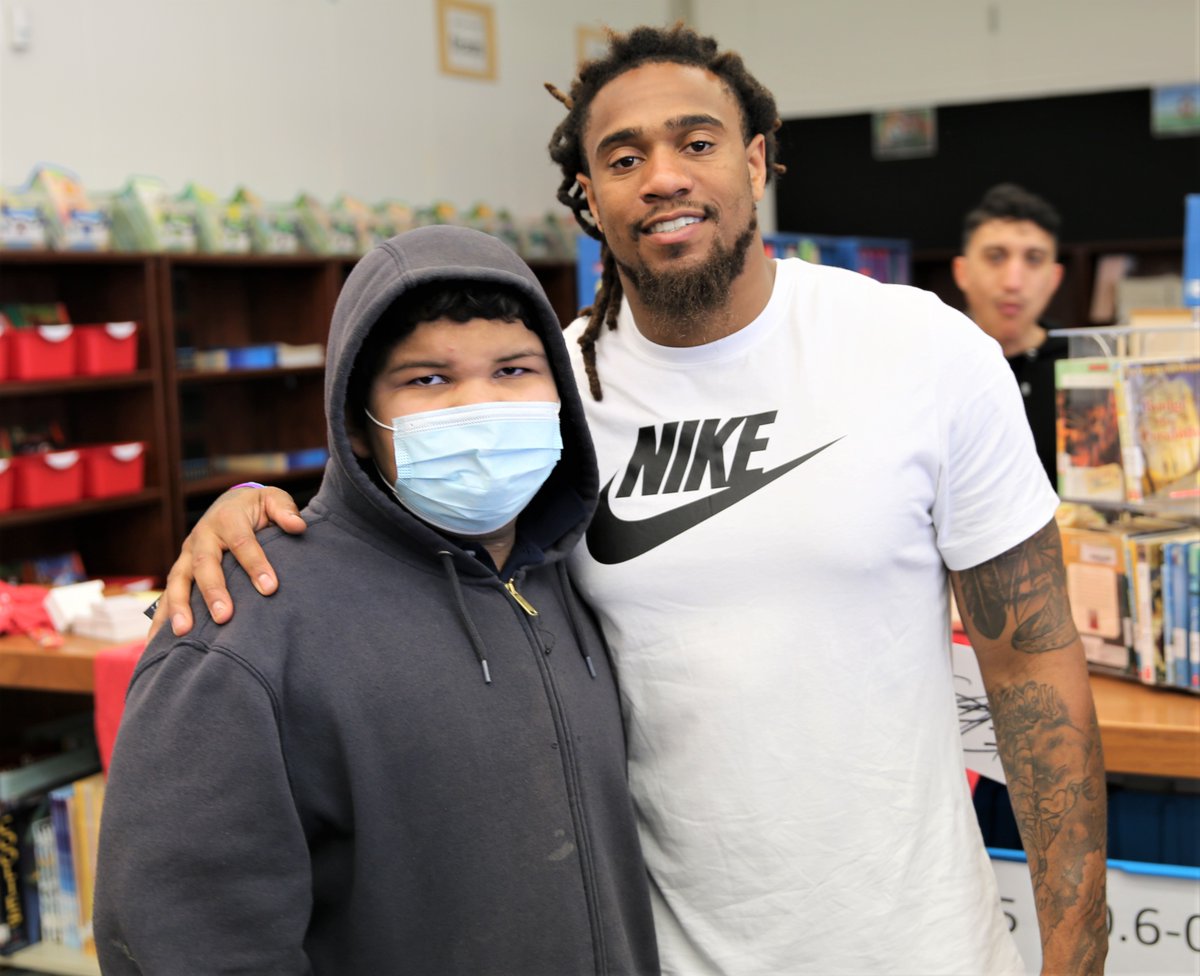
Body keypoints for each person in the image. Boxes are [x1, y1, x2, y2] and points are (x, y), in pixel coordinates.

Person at [151, 25, 1108, 976]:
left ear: (757, 159)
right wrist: (242, 502)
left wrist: (1078, 951)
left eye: (697, 142)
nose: (663, 176)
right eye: (623, 156)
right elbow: (392, 535)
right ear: (589, 198)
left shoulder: (922, 351)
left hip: (923, 948)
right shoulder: (540, 392)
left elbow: (1033, 667)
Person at [93, 226, 659, 975]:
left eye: (514, 369)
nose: (479, 406)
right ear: (358, 424)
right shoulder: (245, 626)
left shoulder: (576, 573)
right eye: (427, 379)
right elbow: (186, 941)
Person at [952, 183, 1068, 485]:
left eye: (1033, 259)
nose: (1013, 282)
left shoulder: (1084, 365)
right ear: (962, 272)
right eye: (995, 256)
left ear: (1054, 278)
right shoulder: (929, 363)